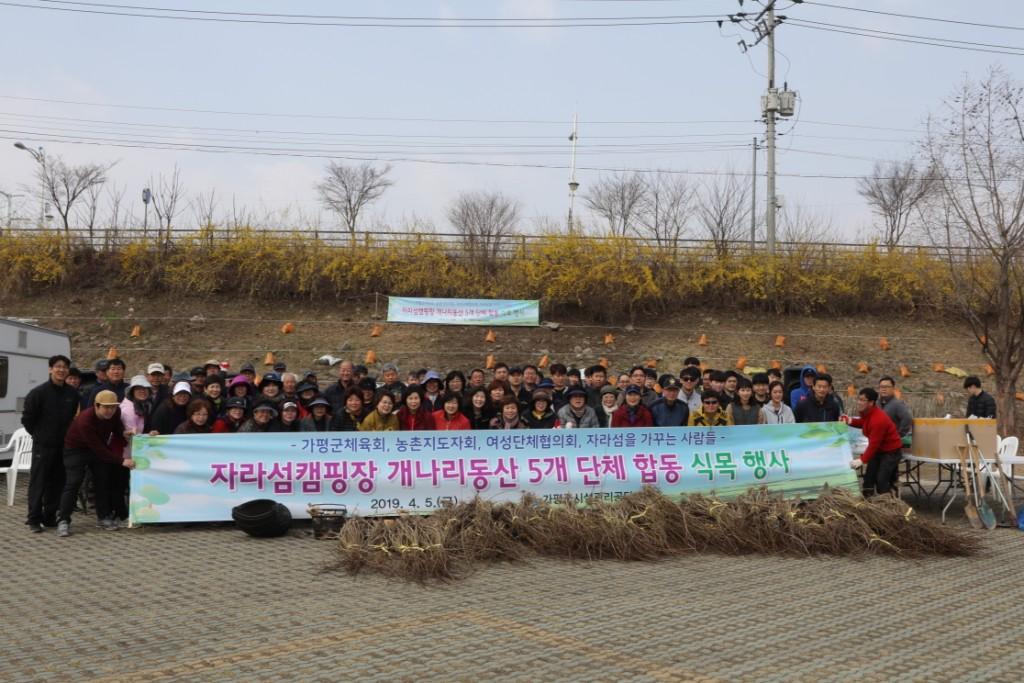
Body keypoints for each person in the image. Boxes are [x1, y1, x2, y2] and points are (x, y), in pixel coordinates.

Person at [58, 390, 133, 536]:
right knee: (74, 482)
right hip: (76, 449)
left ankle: (103, 517)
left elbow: (116, 428)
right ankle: (63, 520)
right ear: (96, 406)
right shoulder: (85, 420)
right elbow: (98, 449)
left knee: (102, 480)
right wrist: (122, 461)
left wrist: (123, 433)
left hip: (98, 447)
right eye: (106, 407)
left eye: (113, 407)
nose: (110, 411)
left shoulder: (115, 413)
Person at [21, 354, 80, 533]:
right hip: (43, 446)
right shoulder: (38, 393)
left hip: (63, 446)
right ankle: (33, 519)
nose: (61, 370)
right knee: (39, 482)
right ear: (50, 369)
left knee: (57, 483)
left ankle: (49, 517)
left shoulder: (72, 393)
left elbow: (73, 418)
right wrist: (40, 435)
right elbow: (27, 420)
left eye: (64, 367)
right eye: (58, 366)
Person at [848, 388, 904, 497]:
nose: (859, 402)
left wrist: (862, 460)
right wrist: (850, 421)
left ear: (871, 402)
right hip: (879, 451)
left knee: (881, 480)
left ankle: (889, 504)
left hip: (891, 452)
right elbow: (864, 422)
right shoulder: (868, 413)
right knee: (869, 478)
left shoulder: (878, 419)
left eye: (863, 400)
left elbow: (874, 444)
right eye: (859, 399)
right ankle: (868, 502)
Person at [877, 376, 913, 447]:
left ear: (893, 388)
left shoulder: (897, 404)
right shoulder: (876, 404)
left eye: (887, 387)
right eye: (881, 387)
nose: (884, 389)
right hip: (878, 443)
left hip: (892, 445)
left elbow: (907, 419)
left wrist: (898, 435)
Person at [120, 375, 155, 441]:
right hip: (129, 448)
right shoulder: (128, 409)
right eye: (138, 388)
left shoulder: (145, 405)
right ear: (132, 391)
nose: (142, 391)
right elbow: (132, 436)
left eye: (145, 388)